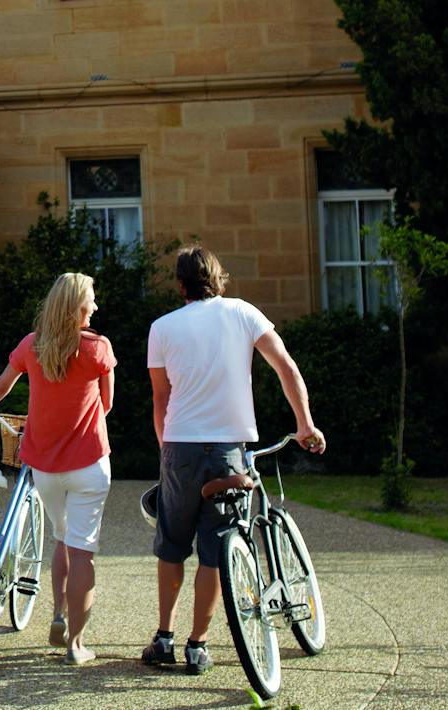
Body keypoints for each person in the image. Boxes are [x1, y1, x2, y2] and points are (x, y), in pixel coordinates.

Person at [141, 246, 325, 675]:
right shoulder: (244, 313)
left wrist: (165, 449)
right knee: (215, 549)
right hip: (230, 452)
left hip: (180, 447)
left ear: (181, 284)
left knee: (171, 545)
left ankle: (164, 637)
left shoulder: (162, 327)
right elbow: (286, 366)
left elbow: (161, 398)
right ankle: (197, 646)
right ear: (219, 278)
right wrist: (305, 424)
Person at [0, 272, 115, 665]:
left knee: (61, 538)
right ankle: (76, 645)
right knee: (83, 551)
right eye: (91, 301)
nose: (95, 307)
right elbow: (108, 403)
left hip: (44, 467)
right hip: (89, 463)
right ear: (78, 307)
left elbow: (1, 385)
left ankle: (58, 614)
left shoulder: (33, 346)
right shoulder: (98, 348)